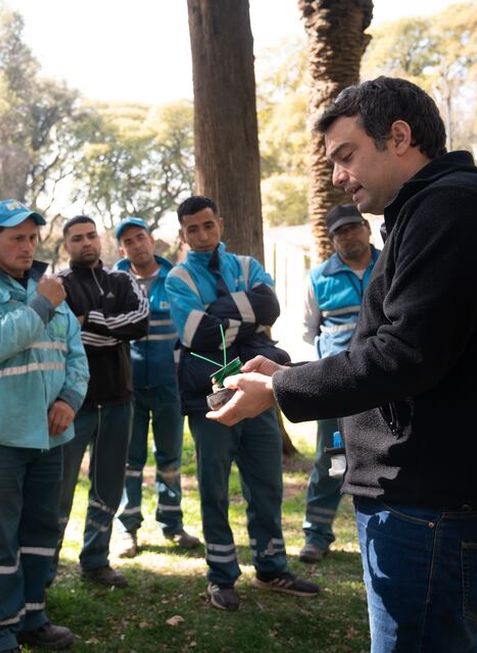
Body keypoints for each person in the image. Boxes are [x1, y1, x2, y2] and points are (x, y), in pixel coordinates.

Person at [207, 77, 477, 651]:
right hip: (434, 500)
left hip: (437, 505)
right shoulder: (434, 210)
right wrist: (286, 377)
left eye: (347, 156)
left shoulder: (452, 208)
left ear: (398, 136)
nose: (338, 176)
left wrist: (284, 390)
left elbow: (405, 355)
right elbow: (405, 344)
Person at [165, 195, 319, 612]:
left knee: (266, 483)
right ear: (183, 233)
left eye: (207, 226)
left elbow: (271, 306)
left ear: (220, 223)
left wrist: (220, 315)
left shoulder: (248, 265)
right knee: (214, 490)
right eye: (192, 229)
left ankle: (272, 567)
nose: (201, 235)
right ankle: (221, 576)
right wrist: (246, 323)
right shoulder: (177, 278)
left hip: (258, 392)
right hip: (208, 398)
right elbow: (198, 336)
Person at [0, 200, 89, 653]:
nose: (27, 247)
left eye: (32, 238)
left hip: (49, 434)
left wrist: (69, 399)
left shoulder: (45, 288)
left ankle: (32, 617)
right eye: (17, 238)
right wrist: (42, 304)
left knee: (40, 531)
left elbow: (75, 355)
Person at [53, 215, 149, 588]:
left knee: (108, 484)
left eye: (91, 235)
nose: (86, 242)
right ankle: (45, 565)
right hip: (70, 403)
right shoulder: (57, 284)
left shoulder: (121, 279)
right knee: (58, 488)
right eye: (77, 238)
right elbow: (62, 336)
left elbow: (140, 322)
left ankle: (96, 559)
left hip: (118, 399)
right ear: (66, 246)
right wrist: (113, 330)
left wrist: (90, 319)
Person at [112, 217, 201, 557]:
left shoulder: (175, 278)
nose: (137, 245)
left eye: (141, 237)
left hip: (169, 385)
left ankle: (171, 523)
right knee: (129, 460)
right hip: (128, 387)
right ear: (122, 248)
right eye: (129, 241)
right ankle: (127, 528)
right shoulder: (114, 282)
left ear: (152, 240)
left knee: (170, 459)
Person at [298, 204, 379, 564]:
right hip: (337, 390)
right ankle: (317, 534)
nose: (348, 236)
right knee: (332, 461)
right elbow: (309, 331)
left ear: (366, 228)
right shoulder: (319, 278)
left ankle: (382, 535)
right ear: (332, 240)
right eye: (340, 232)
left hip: (387, 387)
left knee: (388, 460)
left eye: (353, 228)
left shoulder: (391, 264)